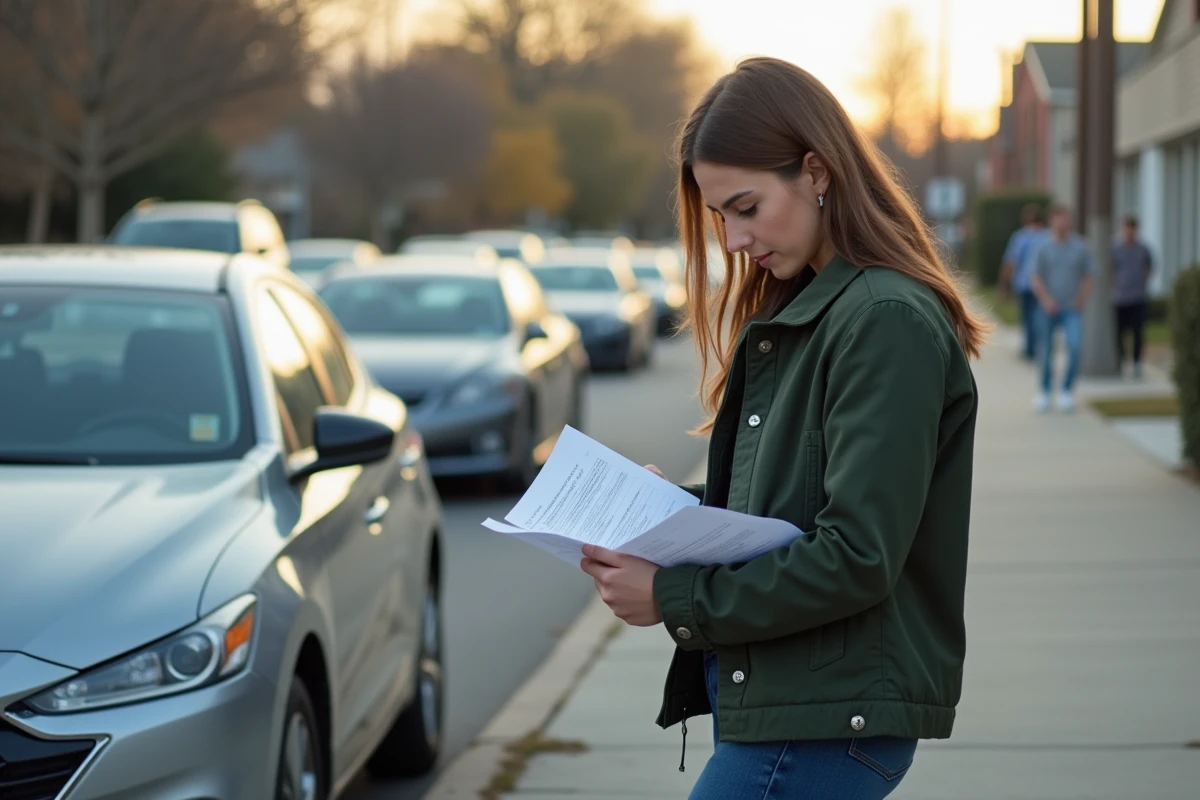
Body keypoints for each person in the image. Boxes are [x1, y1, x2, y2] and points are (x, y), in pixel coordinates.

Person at [578, 56, 986, 800]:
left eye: (746, 207)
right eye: (720, 217)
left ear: (817, 172)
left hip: (826, 719)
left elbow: (858, 552)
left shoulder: (881, 320)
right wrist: (675, 513)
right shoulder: (817, 310)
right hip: (795, 702)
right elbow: (795, 503)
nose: (732, 240)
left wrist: (673, 598)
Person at [1030, 205, 1095, 413]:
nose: (1063, 223)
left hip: (1072, 308)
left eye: (1066, 219)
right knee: (1046, 350)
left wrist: (1081, 299)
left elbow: (1089, 275)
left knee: (1075, 346)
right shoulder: (1043, 247)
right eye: (1059, 219)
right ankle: (1045, 391)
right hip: (1048, 308)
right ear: (1052, 221)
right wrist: (1047, 300)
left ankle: (1067, 390)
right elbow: (1035, 277)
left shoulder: (1081, 247)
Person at [1000, 203, 1049, 360]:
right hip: (1043, 286)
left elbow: (1011, 262)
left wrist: (1003, 284)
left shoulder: (1020, 237)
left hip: (1024, 284)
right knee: (1040, 317)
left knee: (1027, 317)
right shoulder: (1047, 236)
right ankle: (1040, 346)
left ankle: (1029, 349)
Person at [1111, 215, 1154, 379]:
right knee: (1119, 332)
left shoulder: (1143, 249)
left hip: (1138, 296)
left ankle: (1136, 363)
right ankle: (1121, 362)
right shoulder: (1115, 248)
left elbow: (1150, 266)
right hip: (1119, 297)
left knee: (1138, 332)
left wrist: (1143, 278)